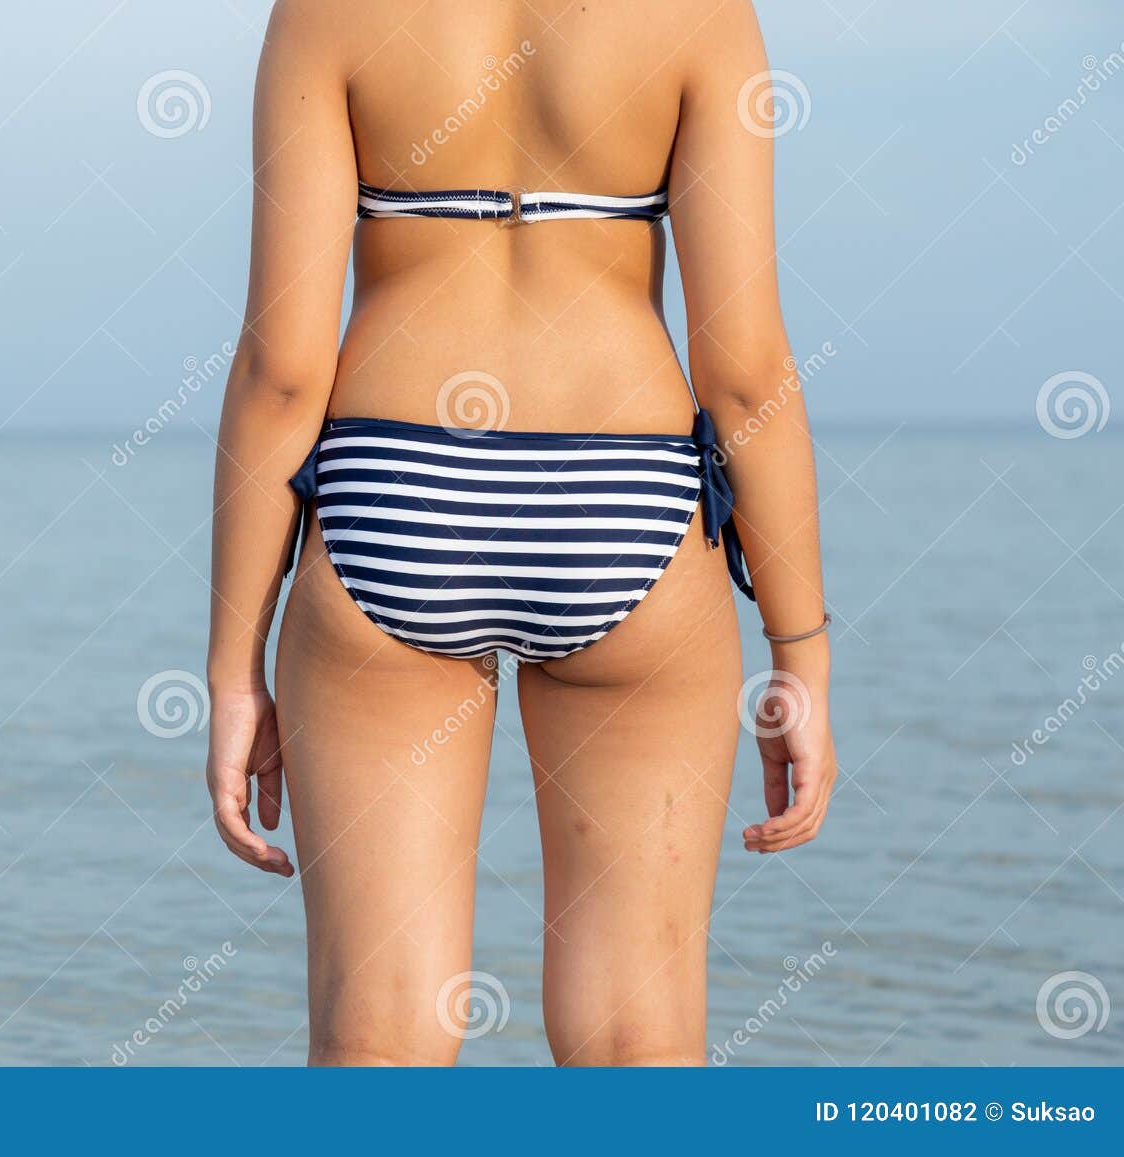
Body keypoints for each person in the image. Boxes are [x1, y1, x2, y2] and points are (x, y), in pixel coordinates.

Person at [205, 0, 836, 1066]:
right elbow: (745, 371)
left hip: (393, 498)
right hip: (621, 493)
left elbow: (282, 372)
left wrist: (233, 668)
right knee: (637, 1033)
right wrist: (800, 654)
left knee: (379, 1032)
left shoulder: (325, 12)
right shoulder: (700, 14)